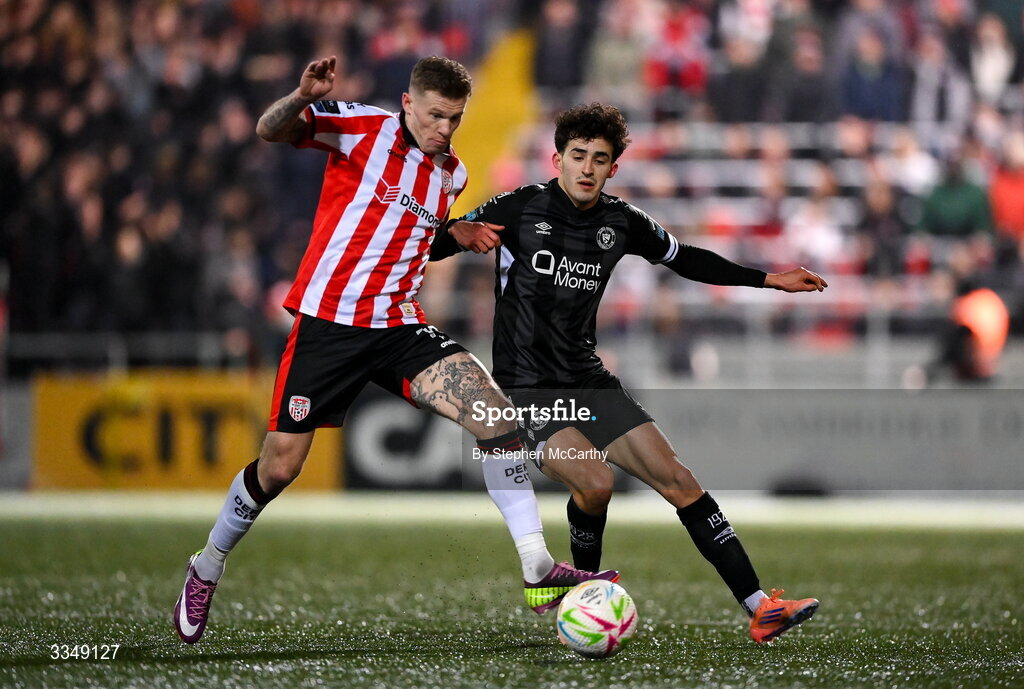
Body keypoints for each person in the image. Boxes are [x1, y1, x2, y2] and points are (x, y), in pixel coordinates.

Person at [173, 57, 617, 645]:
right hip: (329, 325)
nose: (444, 128)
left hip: (398, 326)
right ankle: (207, 565)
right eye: (435, 115)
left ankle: (537, 566)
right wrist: (299, 96)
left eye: (454, 118)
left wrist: (453, 233)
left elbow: (416, 236)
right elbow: (270, 130)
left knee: (495, 415)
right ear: (408, 104)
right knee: (280, 466)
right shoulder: (361, 128)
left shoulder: (452, 174)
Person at [430, 103, 825, 643]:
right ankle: (582, 589)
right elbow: (430, 245)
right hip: (528, 388)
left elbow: (685, 258)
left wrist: (769, 279)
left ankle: (760, 607)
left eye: (600, 158)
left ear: (614, 168)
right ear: (557, 159)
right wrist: (459, 230)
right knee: (596, 483)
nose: (587, 168)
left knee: (680, 482)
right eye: (578, 156)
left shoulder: (621, 221)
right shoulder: (520, 208)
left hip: (589, 380)